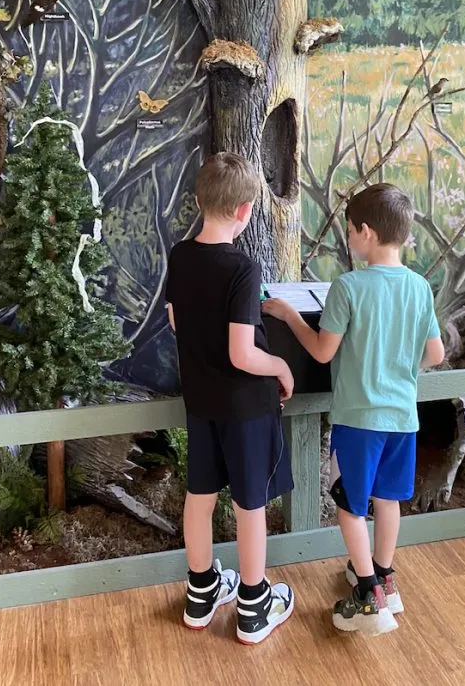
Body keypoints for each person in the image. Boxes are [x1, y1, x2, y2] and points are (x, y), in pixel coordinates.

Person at [264, 182, 444, 635]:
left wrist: (288, 317)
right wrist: (401, 367)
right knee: (388, 500)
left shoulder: (348, 287)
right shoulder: (420, 287)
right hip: (403, 418)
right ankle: (384, 578)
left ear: (365, 232)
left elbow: (323, 352)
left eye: (349, 230)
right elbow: (435, 354)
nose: (348, 238)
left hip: (358, 419)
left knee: (348, 503)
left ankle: (366, 597)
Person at [165, 152, 296, 644]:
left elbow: (177, 321)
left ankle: (201, 593)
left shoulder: (180, 255)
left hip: (200, 401)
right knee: (250, 505)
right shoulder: (244, 267)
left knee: (199, 497)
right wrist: (281, 366)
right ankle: (254, 606)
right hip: (244, 408)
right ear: (245, 210)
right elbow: (243, 354)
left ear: (199, 201)